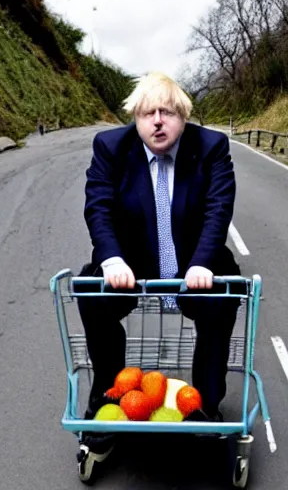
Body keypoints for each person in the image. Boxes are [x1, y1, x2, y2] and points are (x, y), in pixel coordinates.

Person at [75, 72, 242, 475]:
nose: (157, 121)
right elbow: (99, 206)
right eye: (147, 113)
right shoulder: (111, 147)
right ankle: (109, 394)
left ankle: (204, 405)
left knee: (220, 300)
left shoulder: (212, 147)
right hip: (132, 259)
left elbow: (219, 208)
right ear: (135, 118)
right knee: (90, 290)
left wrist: (202, 263)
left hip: (195, 259)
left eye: (167, 112)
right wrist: (112, 260)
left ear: (183, 117)